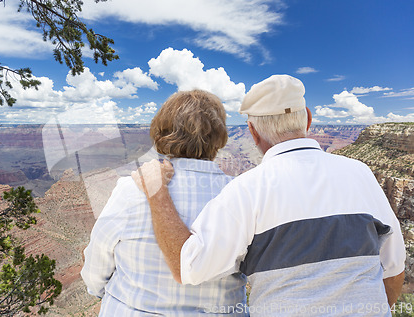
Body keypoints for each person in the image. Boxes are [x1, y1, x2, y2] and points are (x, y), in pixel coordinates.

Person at [132, 75, 406, 316]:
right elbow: (393, 271)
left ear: (252, 132)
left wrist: (157, 192)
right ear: (308, 119)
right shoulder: (360, 173)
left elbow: (188, 267)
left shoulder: (246, 190)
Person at [81, 90, 248, 316]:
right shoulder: (243, 195)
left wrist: (108, 296)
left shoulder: (131, 189)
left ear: (162, 132)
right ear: (220, 137)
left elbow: (97, 264)